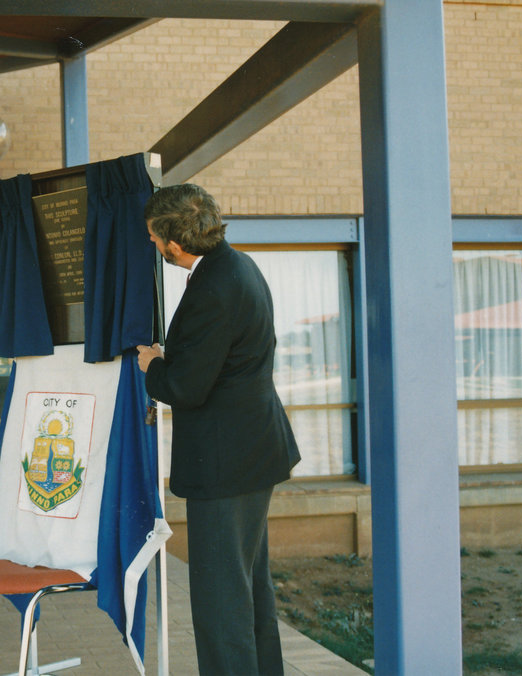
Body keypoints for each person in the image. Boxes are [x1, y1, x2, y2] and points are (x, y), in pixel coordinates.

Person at [136, 184, 300, 675]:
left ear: (174, 242)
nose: (152, 246)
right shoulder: (238, 266)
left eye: (152, 238)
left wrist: (152, 366)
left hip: (226, 464)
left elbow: (186, 387)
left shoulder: (211, 288)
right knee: (248, 589)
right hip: (253, 453)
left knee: (220, 603)